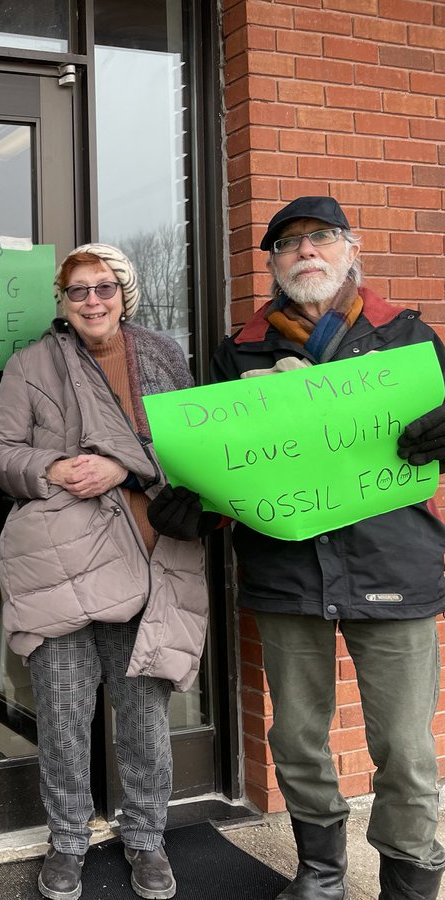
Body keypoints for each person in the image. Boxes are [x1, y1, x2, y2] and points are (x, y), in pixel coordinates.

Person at [150, 196, 445, 900]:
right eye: (288, 245)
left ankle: (411, 877)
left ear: (350, 248)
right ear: (275, 265)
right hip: (285, 566)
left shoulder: (405, 336)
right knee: (299, 738)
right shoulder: (239, 351)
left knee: (405, 747)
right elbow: (222, 460)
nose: (305, 252)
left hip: (392, 561)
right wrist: (197, 503)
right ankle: (321, 871)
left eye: (320, 238)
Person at [0, 243, 208, 900]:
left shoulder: (165, 358)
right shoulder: (31, 365)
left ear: (124, 292)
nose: (91, 301)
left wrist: (122, 464)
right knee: (63, 712)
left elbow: (198, 446)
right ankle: (68, 840)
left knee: (143, 716)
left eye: (103, 287)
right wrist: (51, 469)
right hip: (61, 563)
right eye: (77, 291)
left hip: (149, 561)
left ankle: (145, 837)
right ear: (64, 300)